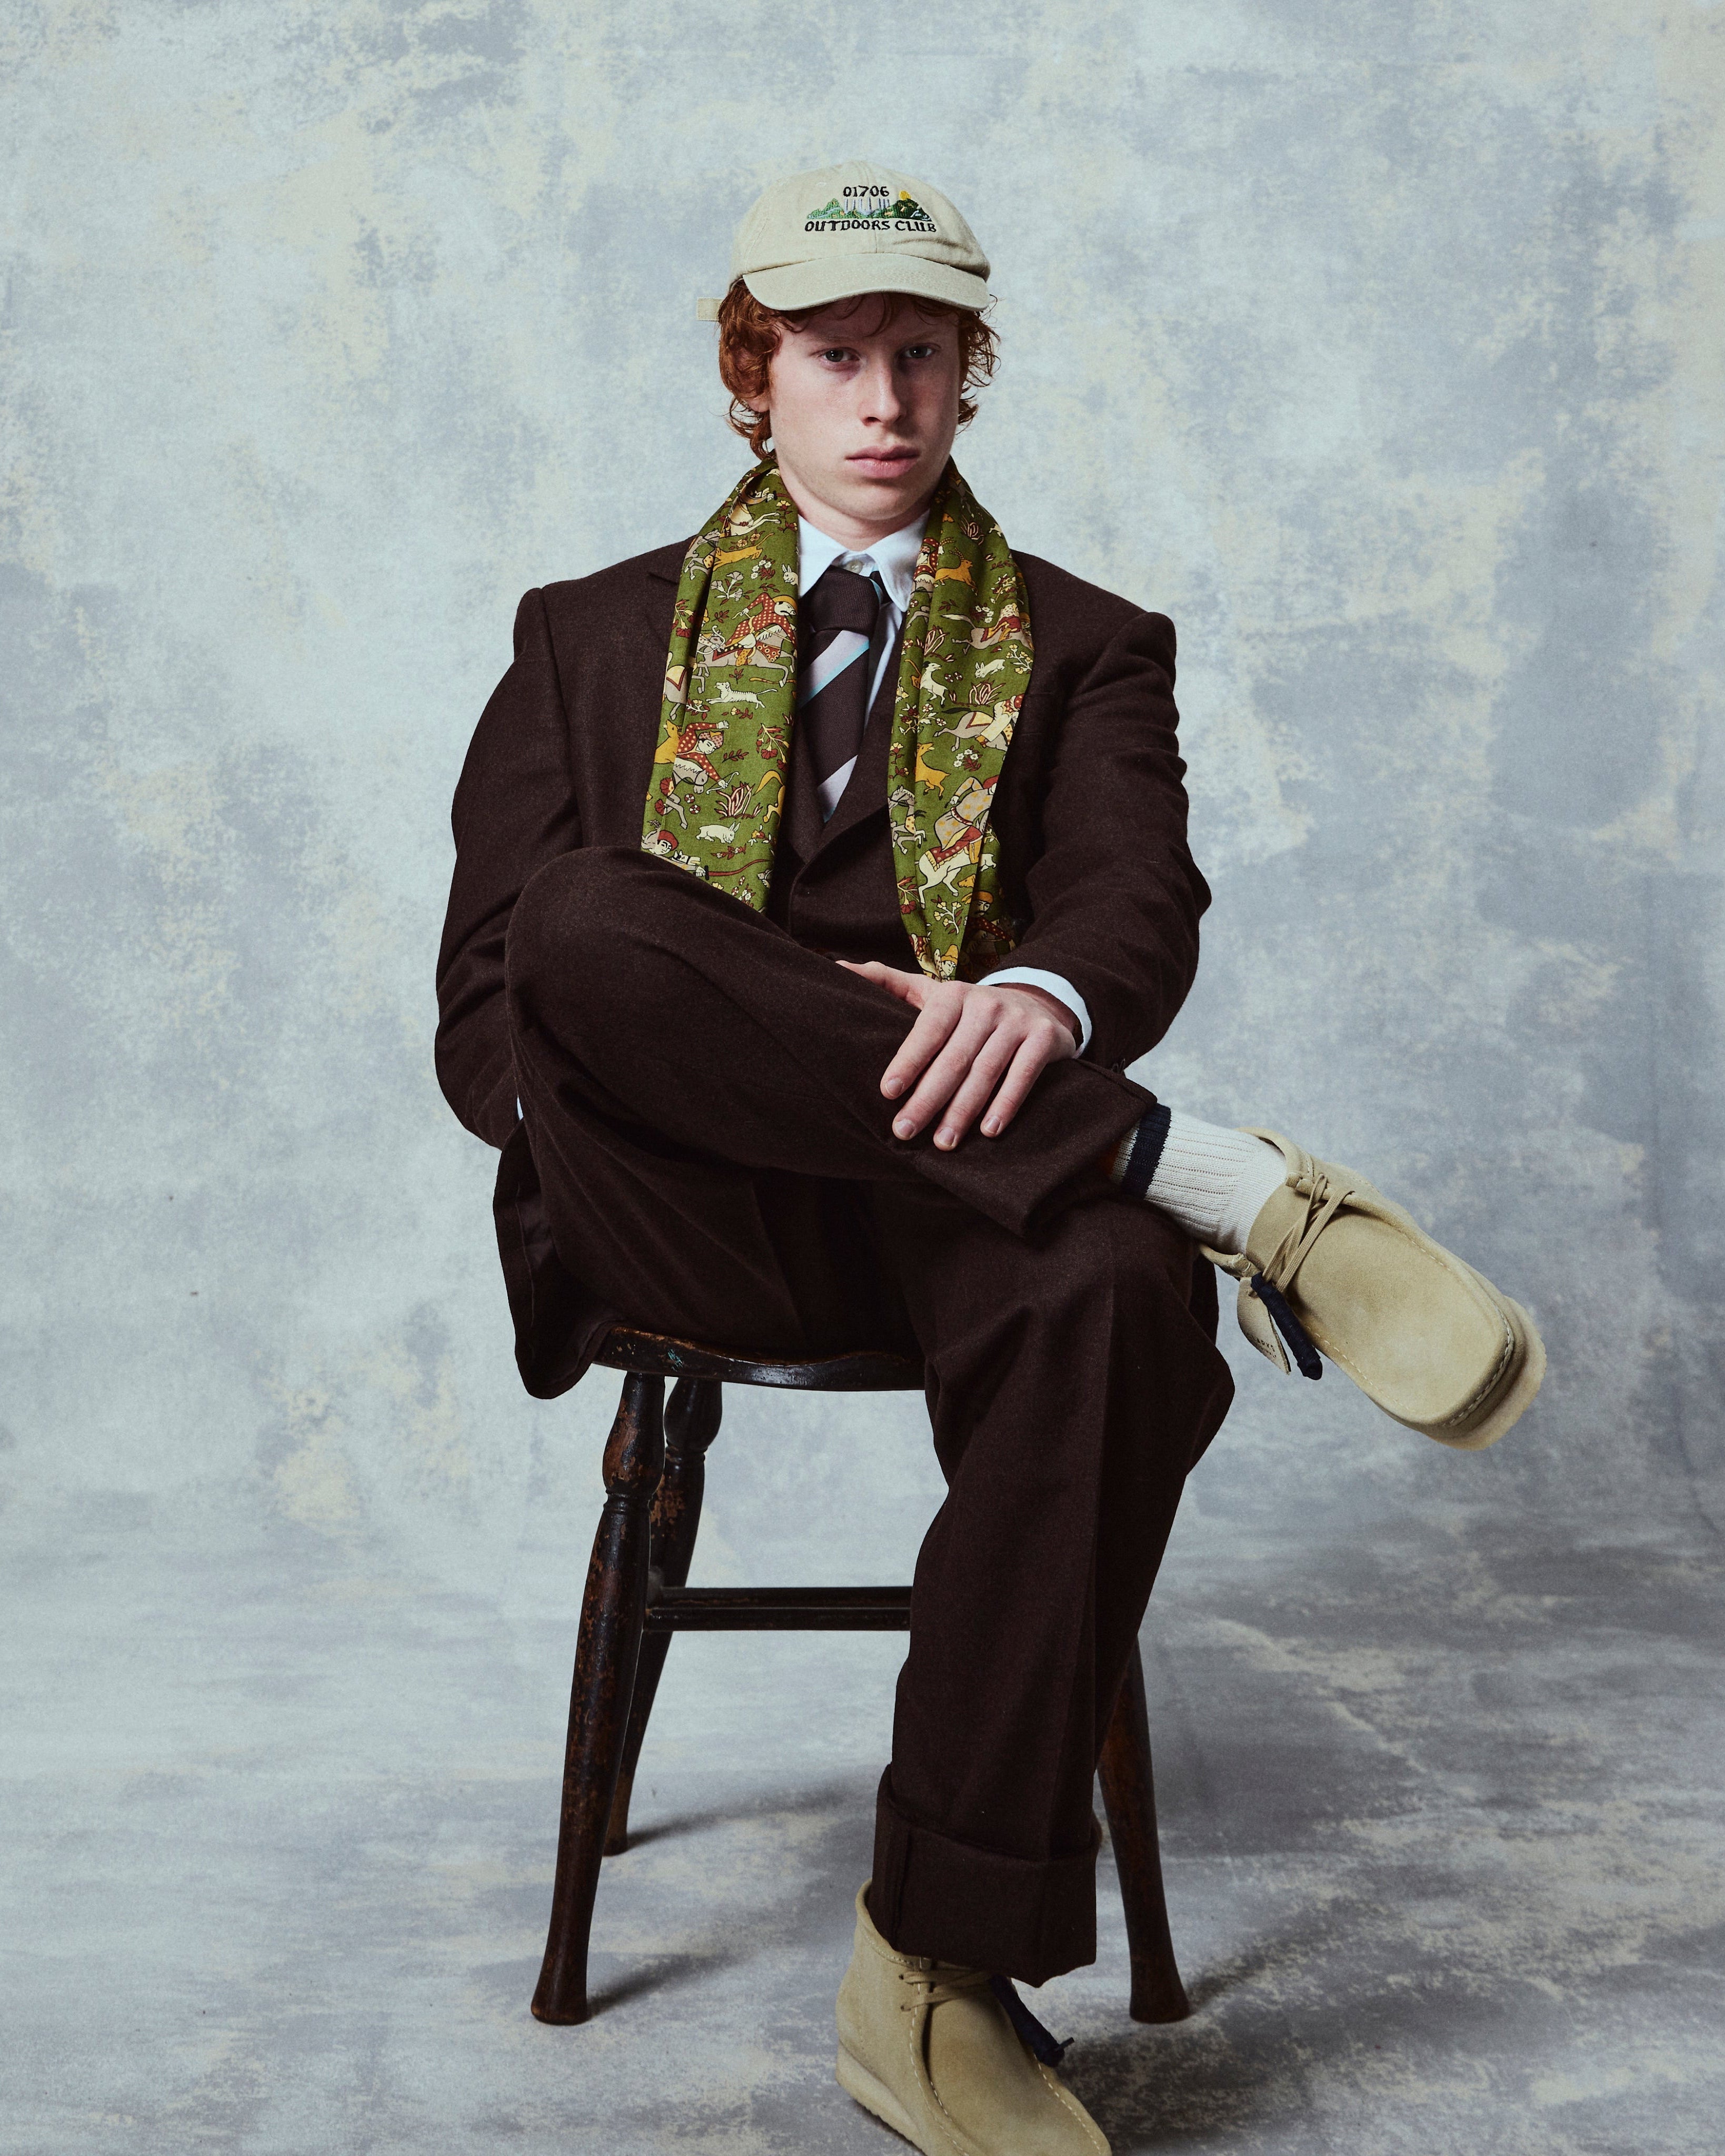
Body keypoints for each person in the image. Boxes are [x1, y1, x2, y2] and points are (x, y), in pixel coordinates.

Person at [435, 159, 1544, 2156]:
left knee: (1116, 1301)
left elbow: (1134, 905)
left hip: (968, 1209)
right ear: (753, 374)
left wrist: (1036, 1003)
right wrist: (711, 1044)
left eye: (922, 359)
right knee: (585, 929)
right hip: (691, 1214)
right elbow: (482, 1023)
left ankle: (936, 1974)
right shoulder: (587, 633)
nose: (882, 402)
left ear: (970, 377)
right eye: (836, 356)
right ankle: (1216, 1185)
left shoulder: (1088, 642)